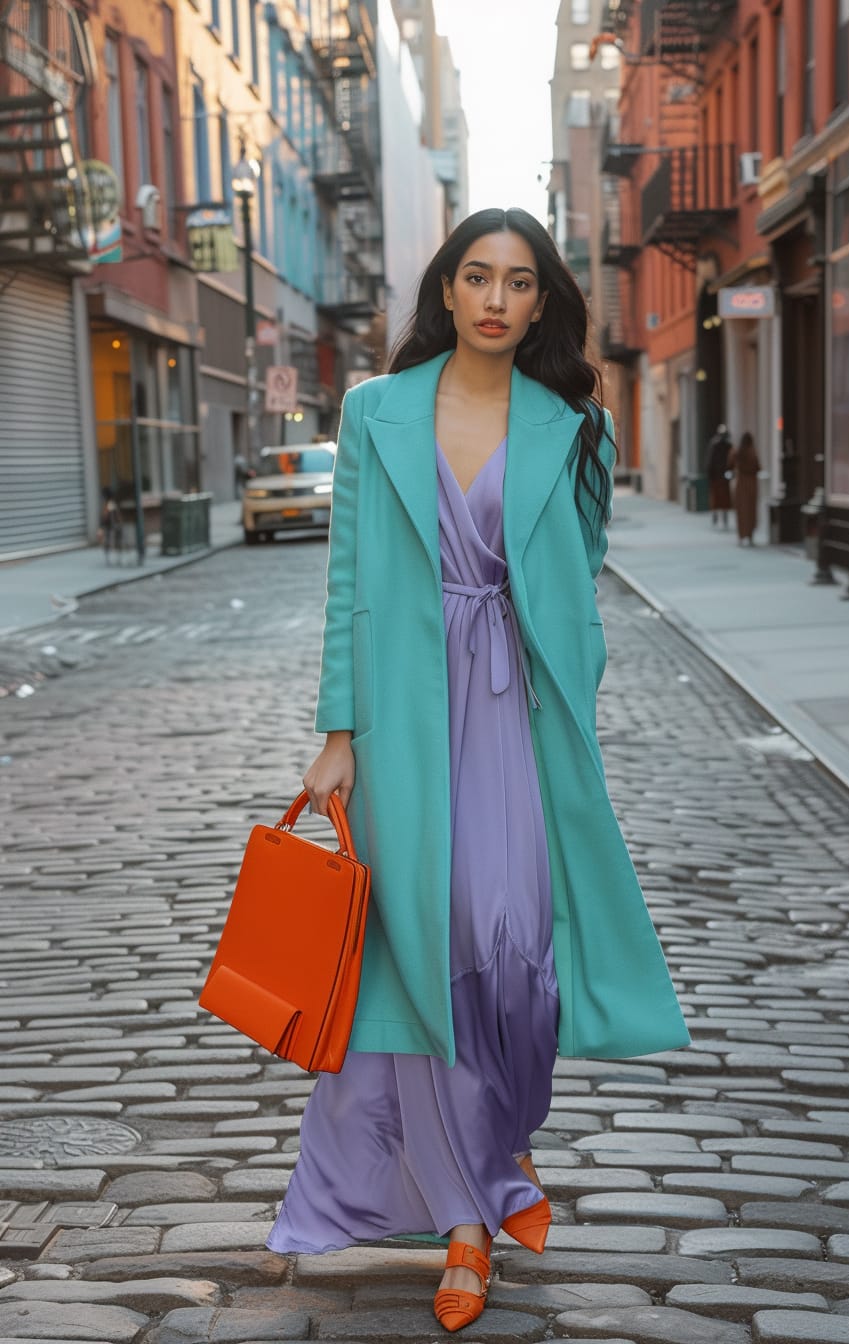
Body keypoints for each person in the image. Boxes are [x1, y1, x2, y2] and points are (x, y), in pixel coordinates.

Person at [266, 207, 690, 1332]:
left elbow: (580, 566)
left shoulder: (571, 426)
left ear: (541, 302)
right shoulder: (374, 414)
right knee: (431, 946)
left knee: (512, 955)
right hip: (406, 715)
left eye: (517, 281)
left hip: (521, 711)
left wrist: (571, 679)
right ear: (444, 293)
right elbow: (349, 580)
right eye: (475, 277)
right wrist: (337, 730)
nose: (495, 298)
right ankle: (468, 1216)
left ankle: (498, 1147)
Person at [729, 430, 760, 545]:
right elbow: (758, 467)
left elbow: (730, 465)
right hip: (751, 483)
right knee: (751, 510)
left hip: (740, 483)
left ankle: (741, 536)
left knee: (741, 511)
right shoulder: (752, 453)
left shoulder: (736, 452)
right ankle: (750, 536)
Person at [706, 423, 732, 527]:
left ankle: (723, 517)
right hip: (717, 476)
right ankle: (716, 515)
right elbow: (710, 461)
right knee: (717, 498)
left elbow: (731, 461)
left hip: (722, 476)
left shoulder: (728, 446)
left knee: (724, 499)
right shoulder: (715, 445)